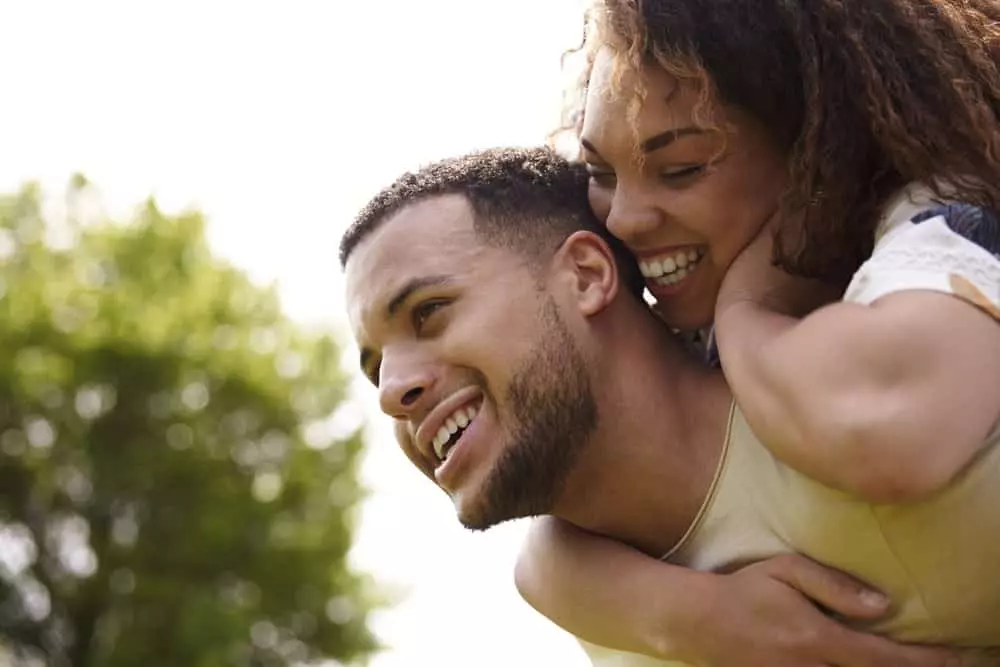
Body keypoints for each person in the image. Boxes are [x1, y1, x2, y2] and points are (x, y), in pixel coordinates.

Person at [339, 146, 998, 666]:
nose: (393, 390)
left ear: (588, 276)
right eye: (375, 370)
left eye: (429, 312)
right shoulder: (621, 623)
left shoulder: (882, 347)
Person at [515, 1, 1000, 662]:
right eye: (601, 173)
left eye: (681, 167)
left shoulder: (955, 217)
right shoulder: (686, 309)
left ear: (818, 140)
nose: (623, 218)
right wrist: (691, 614)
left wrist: (749, 309)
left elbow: (886, 431)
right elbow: (549, 548)